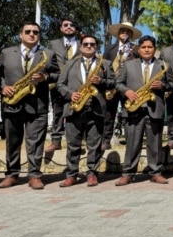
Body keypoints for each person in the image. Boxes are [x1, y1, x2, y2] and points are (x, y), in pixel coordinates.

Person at [0, 22, 58, 190]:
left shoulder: (48, 53)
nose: (32, 34)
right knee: (12, 141)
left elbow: (57, 74)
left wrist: (45, 77)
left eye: (35, 32)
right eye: (28, 31)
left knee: (36, 142)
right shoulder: (7, 53)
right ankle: (12, 174)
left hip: (38, 105)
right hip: (12, 103)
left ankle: (35, 175)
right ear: (20, 34)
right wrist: (3, 87)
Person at [55, 35, 114, 187]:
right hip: (74, 109)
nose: (89, 46)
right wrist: (70, 94)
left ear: (96, 47)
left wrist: (101, 81)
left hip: (96, 109)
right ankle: (71, 175)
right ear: (80, 47)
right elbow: (60, 85)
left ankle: (92, 173)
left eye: (92, 44)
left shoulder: (105, 64)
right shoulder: (70, 63)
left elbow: (113, 83)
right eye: (86, 44)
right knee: (73, 144)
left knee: (94, 144)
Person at [114, 35, 173, 185]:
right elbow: (118, 83)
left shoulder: (163, 65)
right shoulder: (128, 65)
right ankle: (128, 173)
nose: (147, 50)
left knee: (155, 144)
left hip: (154, 109)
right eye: (144, 47)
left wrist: (163, 86)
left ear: (154, 49)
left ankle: (155, 172)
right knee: (132, 144)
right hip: (134, 109)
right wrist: (126, 91)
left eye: (150, 47)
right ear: (138, 49)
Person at [101, 21, 141, 150]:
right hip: (112, 84)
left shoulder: (135, 49)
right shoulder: (110, 48)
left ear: (131, 35)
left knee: (129, 113)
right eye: (122, 31)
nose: (125, 33)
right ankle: (106, 140)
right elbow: (103, 66)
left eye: (128, 31)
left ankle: (130, 140)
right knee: (108, 113)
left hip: (127, 85)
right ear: (118, 34)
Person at [45, 17, 79, 153]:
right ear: (61, 28)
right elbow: (48, 62)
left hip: (76, 84)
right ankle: (56, 141)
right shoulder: (53, 44)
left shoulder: (83, 44)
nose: (69, 27)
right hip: (58, 84)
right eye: (65, 25)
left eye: (72, 25)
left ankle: (75, 143)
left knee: (76, 114)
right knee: (57, 112)